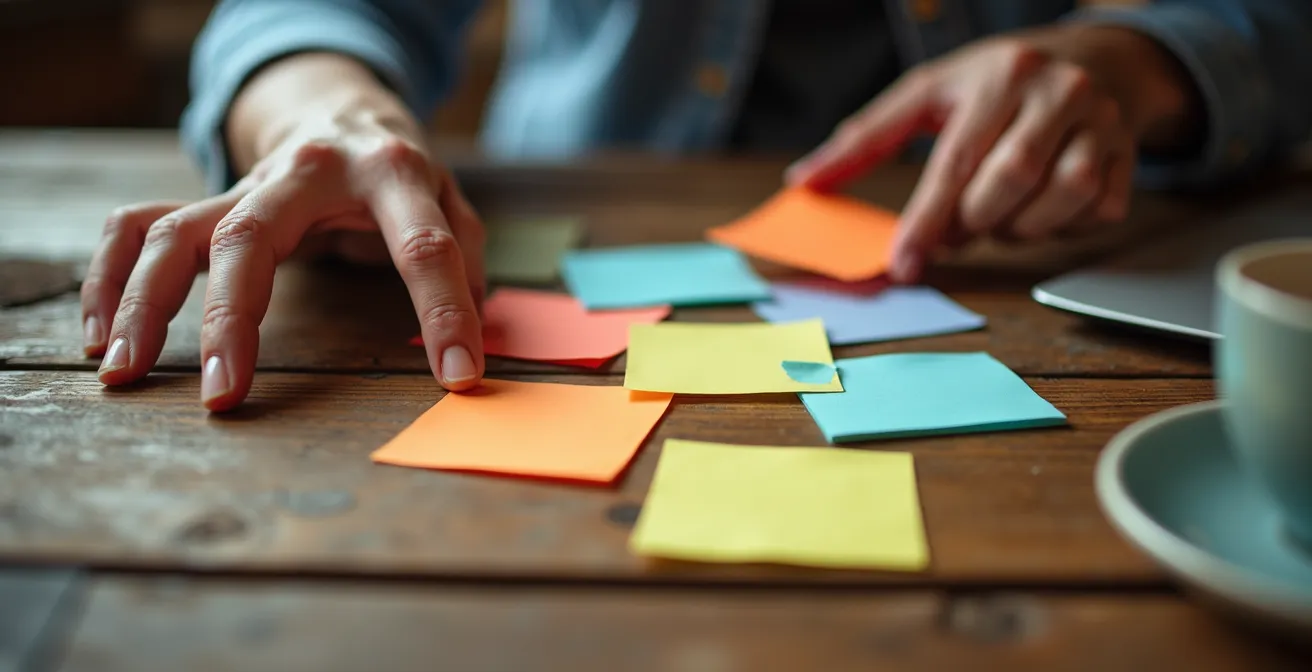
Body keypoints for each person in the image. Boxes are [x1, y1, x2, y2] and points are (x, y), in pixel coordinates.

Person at [82, 0, 1312, 411]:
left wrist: (1144, 61)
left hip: (1011, 256)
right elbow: (300, 13)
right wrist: (322, 114)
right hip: (534, 252)